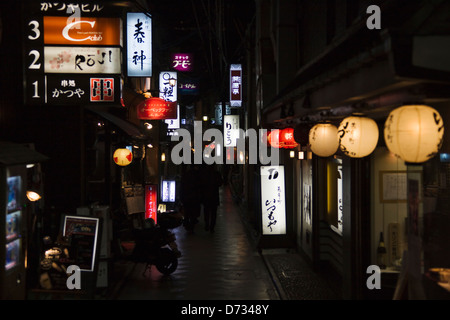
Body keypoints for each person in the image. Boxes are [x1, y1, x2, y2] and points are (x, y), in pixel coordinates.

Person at [200, 164, 223, 233]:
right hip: (214, 196)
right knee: (213, 213)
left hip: (206, 196)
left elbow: (201, 184)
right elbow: (220, 183)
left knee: (206, 211)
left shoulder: (204, 173)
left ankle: (207, 224)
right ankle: (212, 227)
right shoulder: (216, 174)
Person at [180, 164, 202, 233]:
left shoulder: (185, 175)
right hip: (194, 197)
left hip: (186, 196)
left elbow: (182, 186)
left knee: (187, 211)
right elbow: (199, 186)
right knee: (192, 212)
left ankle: (187, 224)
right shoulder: (197, 175)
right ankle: (191, 226)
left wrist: (181, 196)